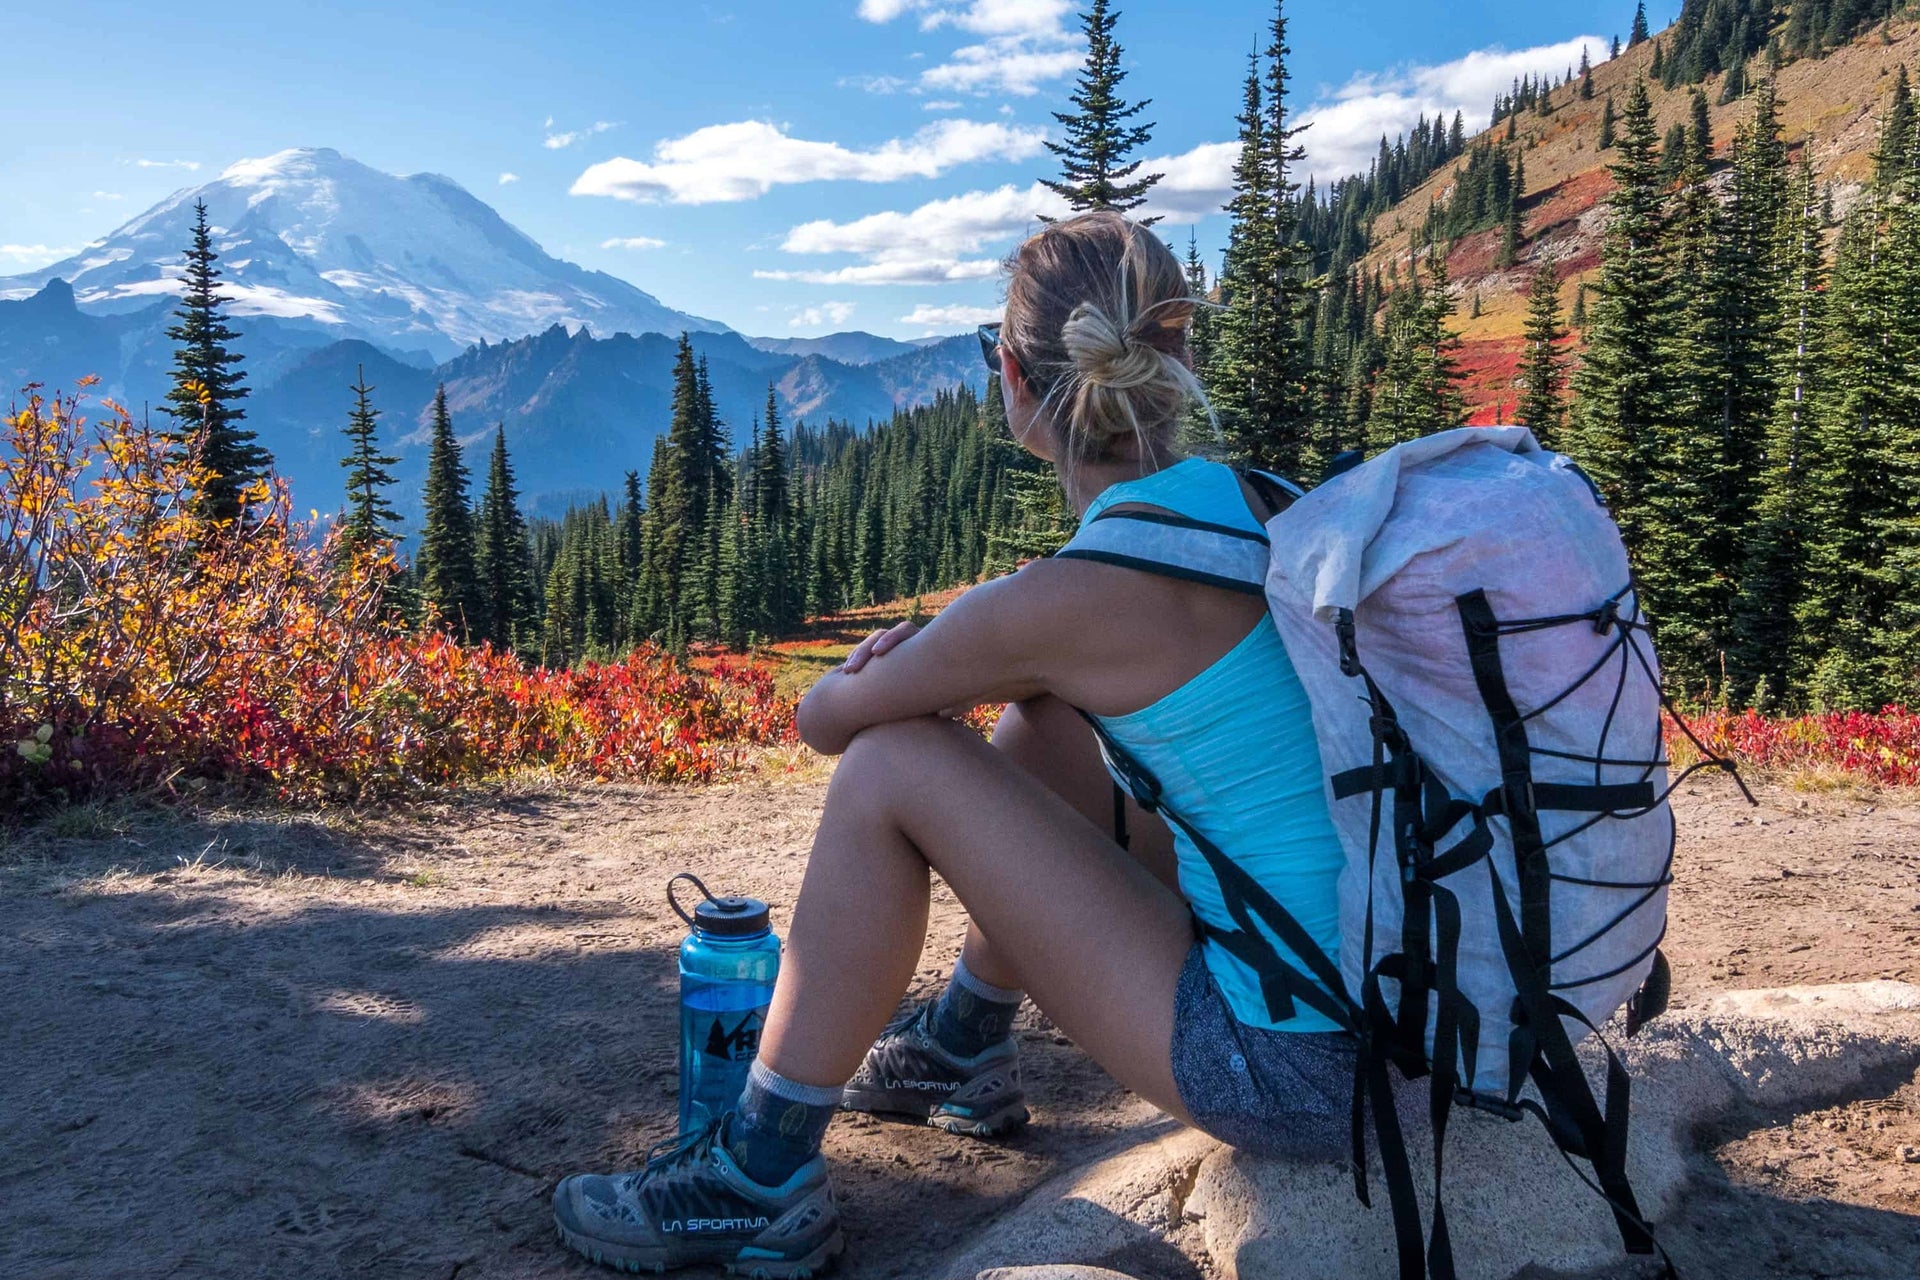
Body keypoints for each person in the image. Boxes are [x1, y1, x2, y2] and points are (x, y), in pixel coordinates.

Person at [552, 211, 1353, 1277]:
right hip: (1403, 1008)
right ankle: (962, 1042)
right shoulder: (1262, 504)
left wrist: (891, 660)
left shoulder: (1075, 592)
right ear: (1178, 360)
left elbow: (825, 723)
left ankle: (756, 1174)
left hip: (1300, 1071)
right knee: (1046, 724)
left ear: (1015, 381)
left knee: (894, 766)